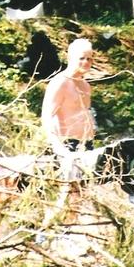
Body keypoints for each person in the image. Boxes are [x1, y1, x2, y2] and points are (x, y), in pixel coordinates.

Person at [41, 38, 96, 181]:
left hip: (86, 144)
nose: (86, 62)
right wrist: (58, 148)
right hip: (67, 144)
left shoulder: (85, 85)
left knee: (86, 188)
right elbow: (46, 117)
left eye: (89, 59)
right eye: (82, 58)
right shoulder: (60, 82)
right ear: (71, 58)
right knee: (69, 189)